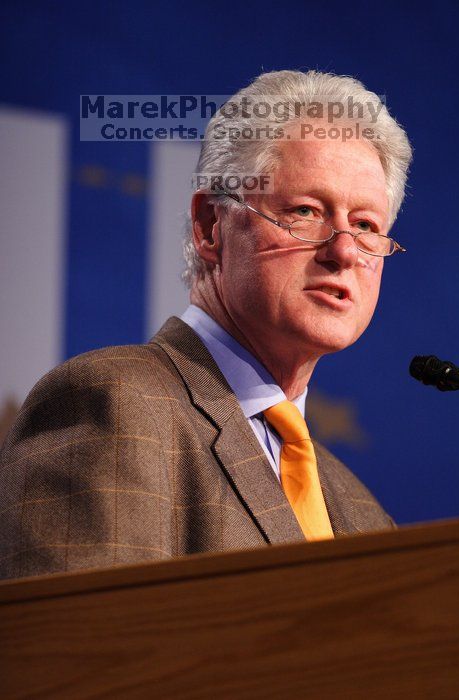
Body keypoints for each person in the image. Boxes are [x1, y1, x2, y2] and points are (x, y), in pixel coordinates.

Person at [0, 70, 412, 580]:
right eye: (306, 211)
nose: (346, 250)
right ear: (211, 226)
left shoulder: (362, 511)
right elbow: (80, 653)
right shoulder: (115, 404)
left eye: (367, 226)